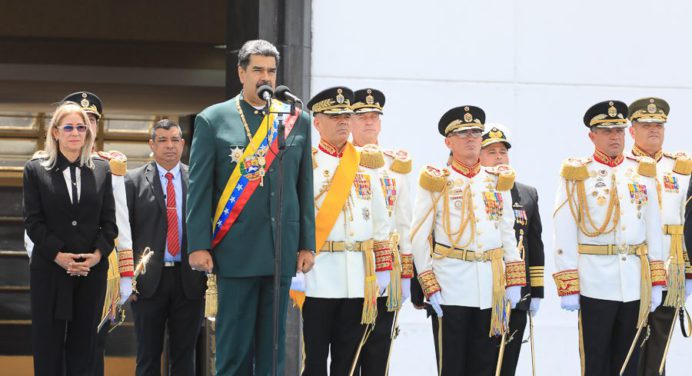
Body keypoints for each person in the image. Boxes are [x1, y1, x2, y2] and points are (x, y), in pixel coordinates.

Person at [186, 39, 315, 375]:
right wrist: (198, 244)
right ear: (241, 72)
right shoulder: (213, 119)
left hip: (280, 252)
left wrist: (306, 244)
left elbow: (304, 186)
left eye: (271, 71)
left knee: (275, 351)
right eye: (257, 69)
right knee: (234, 350)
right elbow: (199, 188)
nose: (265, 77)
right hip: (235, 251)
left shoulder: (295, 120)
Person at [24, 91, 134, 375]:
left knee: (84, 349)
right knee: (48, 348)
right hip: (50, 270)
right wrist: (59, 255)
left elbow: (110, 223)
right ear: (56, 132)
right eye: (69, 127)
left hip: (90, 273)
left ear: (89, 134)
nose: (75, 133)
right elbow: (33, 223)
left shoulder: (101, 169)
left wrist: (97, 255)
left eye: (81, 127)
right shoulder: (36, 169)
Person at [553, 100, 665, 376]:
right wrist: (568, 282)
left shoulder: (642, 170)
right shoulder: (578, 172)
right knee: (597, 360)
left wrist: (657, 280)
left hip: (634, 280)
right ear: (592, 136)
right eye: (606, 131)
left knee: (630, 360)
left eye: (618, 130)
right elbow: (564, 228)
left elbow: (653, 226)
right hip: (595, 281)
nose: (614, 136)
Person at [411, 105, 525, 375]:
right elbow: (418, 235)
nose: (472, 138)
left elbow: (507, 231)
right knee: (452, 365)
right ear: (449, 142)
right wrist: (428, 281)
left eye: (476, 132)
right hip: (451, 283)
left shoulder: (496, 180)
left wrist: (515, 278)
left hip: (490, 286)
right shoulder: (438, 180)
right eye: (463, 134)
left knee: (486, 364)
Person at [301, 86, 392, 376]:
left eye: (346, 115)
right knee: (315, 360)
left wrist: (383, 267)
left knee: (349, 360)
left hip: (357, 276)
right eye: (334, 115)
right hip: (318, 274)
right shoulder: (306, 163)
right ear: (317, 122)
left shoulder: (366, 162)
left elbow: (381, 220)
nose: (343, 121)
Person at [125, 119, 206, 375]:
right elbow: (124, 233)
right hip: (148, 283)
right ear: (152, 144)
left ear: (183, 144)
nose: (169, 146)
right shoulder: (133, 181)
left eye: (175, 140)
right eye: (162, 140)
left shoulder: (198, 180)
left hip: (189, 280)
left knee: (184, 356)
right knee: (148, 356)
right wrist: (129, 280)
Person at [624, 97, 692, 376]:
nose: (654, 129)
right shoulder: (623, 167)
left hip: (671, 268)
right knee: (628, 345)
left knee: (659, 348)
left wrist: (689, 271)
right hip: (632, 268)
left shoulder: (681, 168)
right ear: (632, 130)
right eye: (646, 124)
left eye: (659, 125)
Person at [348, 88, 413, 375]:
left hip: (388, 265)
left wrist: (408, 272)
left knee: (379, 348)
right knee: (347, 346)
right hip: (350, 263)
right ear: (349, 121)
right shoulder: (339, 160)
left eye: (374, 116)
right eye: (362, 116)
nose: (369, 122)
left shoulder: (395, 164)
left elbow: (405, 220)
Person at [479, 123, 544, 376]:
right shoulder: (474, 190)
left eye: (503, 151)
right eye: (491, 152)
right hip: (485, 291)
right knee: (482, 362)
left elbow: (534, 243)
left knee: (508, 363)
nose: (499, 157)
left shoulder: (526, 194)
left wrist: (536, 290)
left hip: (518, 293)